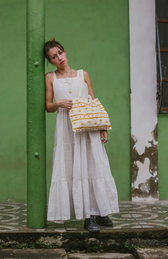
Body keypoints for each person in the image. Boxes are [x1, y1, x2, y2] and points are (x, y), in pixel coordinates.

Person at [44, 38, 119, 232]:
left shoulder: (83, 74)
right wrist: (58, 103)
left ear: (65, 52)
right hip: (66, 128)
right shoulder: (50, 77)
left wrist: (102, 126)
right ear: (50, 61)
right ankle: (87, 215)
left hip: (88, 125)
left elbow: (93, 101)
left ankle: (100, 211)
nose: (59, 58)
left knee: (94, 165)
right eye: (54, 57)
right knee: (74, 168)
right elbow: (48, 106)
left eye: (60, 53)